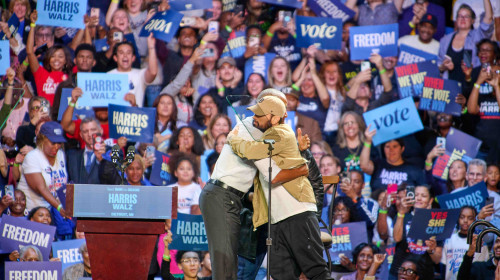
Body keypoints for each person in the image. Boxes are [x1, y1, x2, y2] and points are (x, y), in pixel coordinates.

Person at [199, 89, 313, 280]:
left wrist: (299, 151)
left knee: (229, 267)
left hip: (229, 198)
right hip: (221, 196)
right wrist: (301, 169)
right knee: (224, 267)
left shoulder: (259, 130)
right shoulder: (253, 130)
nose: (284, 115)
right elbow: (274, 174)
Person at [227, 95, 330, 279]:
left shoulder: (280, 133)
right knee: (280, 273)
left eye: (260, 115)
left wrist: (233, 139)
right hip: (277, 219)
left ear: (275, 118)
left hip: (297, 213)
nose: (255, 119)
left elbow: (252, 151)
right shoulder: (270, 135)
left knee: (316, 271)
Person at [17, 121, 68, 216]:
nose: (57, 146)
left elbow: (60, 185)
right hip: (30, 213)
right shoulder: (33, 157)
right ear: (42, 139)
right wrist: (60, 208)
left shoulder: (60, 154)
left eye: (59, 142)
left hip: (49, 212)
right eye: (53, 143)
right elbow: (41, 188)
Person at [438, 0, 494, 82]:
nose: (463, 19)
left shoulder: (478, 36)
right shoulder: (445, 40)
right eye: (460, 16)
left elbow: (488, 19)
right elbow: (438, 67)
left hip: (471, 86)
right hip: (449, 88)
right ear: (456, 20)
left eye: (466, 16)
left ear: (473, 20)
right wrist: (443, 67)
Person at [361, 129, 426, 192]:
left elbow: (423, 191)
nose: (391, 150)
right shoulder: (378, 164)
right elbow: (364, 166)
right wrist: (368, 141)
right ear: (383, 149)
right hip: (378, 202)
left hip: (403, 202)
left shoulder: (414, 170)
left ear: (402, 149)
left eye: (395, 146)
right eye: (387, 147)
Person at [108, 36, 158, 107]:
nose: (125, 56)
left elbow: (153, 73)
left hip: (136, 115)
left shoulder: (140, 74)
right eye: (121, 53)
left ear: (133, 58)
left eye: (128, 53)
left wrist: (151, 47)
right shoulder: (108, 75)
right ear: (115, 58)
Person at [441, 206, 489, 280]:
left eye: (470, 218)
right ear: (458, 218)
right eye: (462, 217)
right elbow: (444, 266)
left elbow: (484, 269)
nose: (465, 220)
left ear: (474, 220)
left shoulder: (480, 242)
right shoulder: (449, 240)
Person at [65, 117, 106, 184]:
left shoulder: (112, 154)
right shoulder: (72, 157)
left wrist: (102, 160)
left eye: (93, 130)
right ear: (81, 135)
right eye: (85, 131)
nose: (90, 134)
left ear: (101, 131)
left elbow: (115, 180)